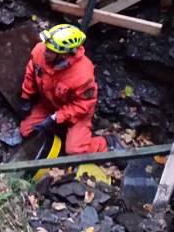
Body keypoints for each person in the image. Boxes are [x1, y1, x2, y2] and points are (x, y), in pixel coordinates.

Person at [18, 24, 116, 155]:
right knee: (25, 131)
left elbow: (83, 104)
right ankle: (59, 132)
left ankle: (105, 143)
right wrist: (26, 96)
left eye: (50, 51)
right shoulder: (40, 51)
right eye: (47, 47)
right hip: (49, 104)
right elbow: (32, 70)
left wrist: (56, 117)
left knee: (75, 150)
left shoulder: (82, 74)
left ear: (64, 54)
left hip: (77, 113)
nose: (45, 52)